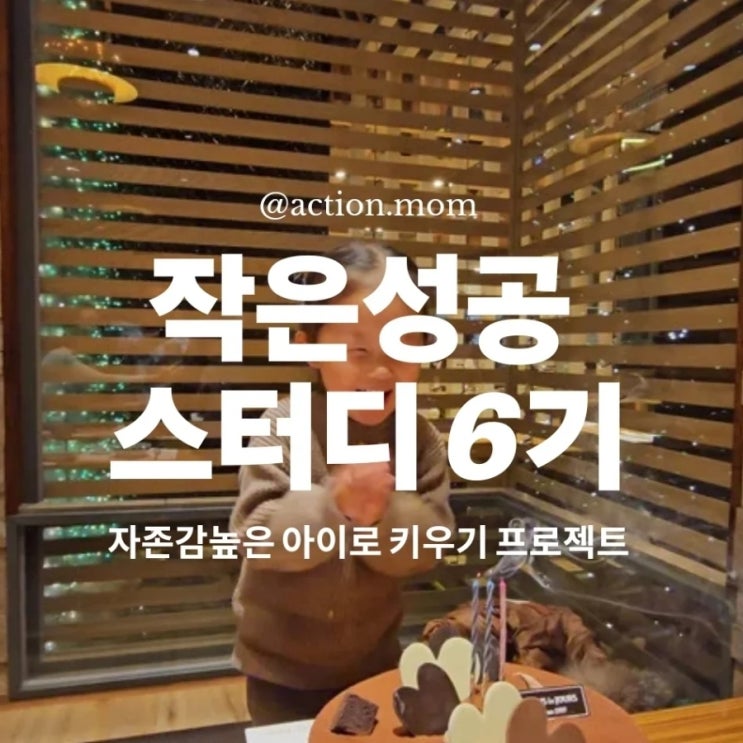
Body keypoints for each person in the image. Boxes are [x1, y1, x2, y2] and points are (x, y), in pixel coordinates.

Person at [229, 241, 456, 726]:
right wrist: (332, 506)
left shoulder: (420, 438)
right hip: (281, 674)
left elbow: (429, 546)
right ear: (307, 346)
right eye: (358, 349)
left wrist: (383, 513)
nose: (382, 370)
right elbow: (256, 538)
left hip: (374, 664)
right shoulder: (281, 425)